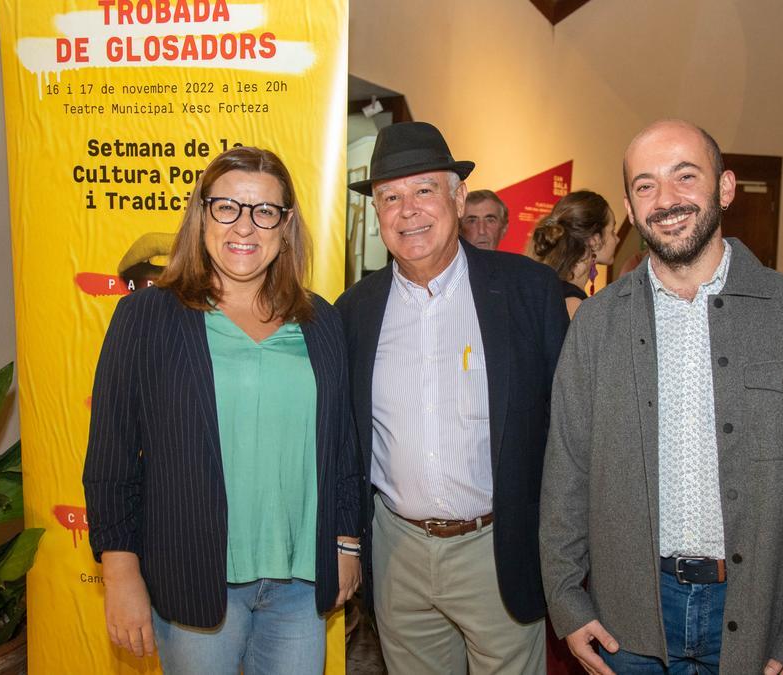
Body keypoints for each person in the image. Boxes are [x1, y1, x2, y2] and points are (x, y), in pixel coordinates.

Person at [540, 119, 783, 675]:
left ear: (725, 188)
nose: (666, 200)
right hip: (628, 623)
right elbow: (566, 472)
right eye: (646, 185)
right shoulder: (595, 325)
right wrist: (567, 602)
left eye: (685, 176)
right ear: (632, 210)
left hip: (758, 616)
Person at [83, 147, 363, 674]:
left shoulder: (319, 320)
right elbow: (111, 458)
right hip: (193, 578)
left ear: (285, 227)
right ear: (203, 216)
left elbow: (342, 447)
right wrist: (120, 575)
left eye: (264, 212)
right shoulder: (146, 318)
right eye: (227, 207)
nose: (245, 226)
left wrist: (346, 541)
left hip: (300, 586)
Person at [337, 121, 569, 674]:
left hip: (497, 548)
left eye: (424, 190)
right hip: (396, 551)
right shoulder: (353, 311)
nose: (407, 210)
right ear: (376, 212)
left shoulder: (528, 291)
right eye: (390, 197)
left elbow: (566, 428)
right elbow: (343, 440)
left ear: (458, 197)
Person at [529, 190, 619, 318]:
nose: (617, 239)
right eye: (612, 231)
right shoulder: (574, 305)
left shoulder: (554, 290)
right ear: (594, 240)